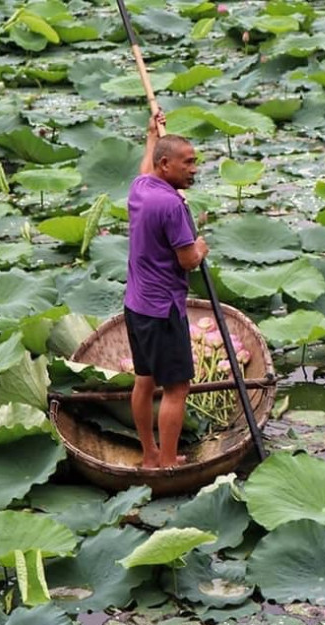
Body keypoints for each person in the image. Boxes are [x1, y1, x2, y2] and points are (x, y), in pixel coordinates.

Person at [124, 111, 209, 468]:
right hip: (163, 311)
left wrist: (149, 133)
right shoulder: (173, 205)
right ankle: (170, 461)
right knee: (177, 388)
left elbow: (146, 165)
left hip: (136, 305)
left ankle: (149, 455)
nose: (194, 169)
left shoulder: (141, 188)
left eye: (195, 162)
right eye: (187, 163)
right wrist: (201, 242)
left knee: (144, 380)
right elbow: (188, 260)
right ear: (166, 165)